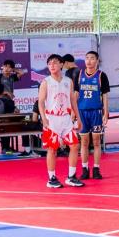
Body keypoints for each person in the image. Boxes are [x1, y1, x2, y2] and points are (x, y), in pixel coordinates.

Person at [38, 54, 83, 189]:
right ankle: (51, 178)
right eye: (49, 63)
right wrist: (44, 118)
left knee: (75, 145)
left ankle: (71, 176)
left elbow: (73, 100)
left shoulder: (68, 81)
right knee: (52, 149)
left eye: (55, 62)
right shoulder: (46, 82)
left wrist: (78, 118)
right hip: (52, 119)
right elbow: (41, 102)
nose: (52, 65)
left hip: (66, 118)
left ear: (61, 64)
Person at [75, 50, 110, 179]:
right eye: (87, 58)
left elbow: (105, 95)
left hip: (96, 112)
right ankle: (84, 169)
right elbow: (75, 94)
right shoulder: (79, 74)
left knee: (96, 142)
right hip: (82, 112)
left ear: (97, 60)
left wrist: (106, 112)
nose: (89, 61)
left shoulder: (101, 75)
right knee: (84, 142)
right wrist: (73, 111)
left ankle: (96, 169)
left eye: (92, 58)